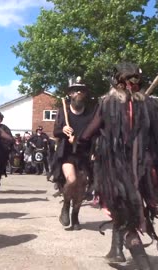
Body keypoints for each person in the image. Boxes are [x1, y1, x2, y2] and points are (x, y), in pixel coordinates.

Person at [78, 63, 158, 269]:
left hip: (115, 169)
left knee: (122, 211)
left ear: (116, 82)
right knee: (128, 209)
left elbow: (88, 134)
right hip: (144, 170)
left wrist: (80, 144)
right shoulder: (148, 104)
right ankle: (116, 250)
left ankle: (141, 260)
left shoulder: (108, 103)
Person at [47, 76, 94, 231]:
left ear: (85, 95)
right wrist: (63, 130)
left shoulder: (90, 113)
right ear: (70, 95)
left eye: (81, 90)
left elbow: (94, 132)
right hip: (67, 154)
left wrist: (80, 139)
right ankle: (66, 206)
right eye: (75, 90)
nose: (79, 92)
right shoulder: (63, 111)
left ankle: (75, 216)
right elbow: (55, 131)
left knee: (81, 187)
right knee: (72, 180)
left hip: (84, 154)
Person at [0, 111, 13, 193]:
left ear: (1, 120)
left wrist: (5, 147)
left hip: (0, 152)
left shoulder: (4, 128)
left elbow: (10, 140)